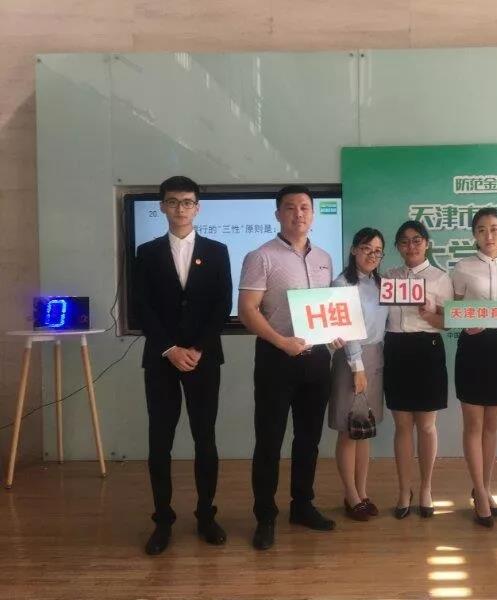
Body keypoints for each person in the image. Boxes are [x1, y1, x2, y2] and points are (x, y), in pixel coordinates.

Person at [238, 185, 343, 551]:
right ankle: (265, 516)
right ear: (278, 214)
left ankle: (302, 505)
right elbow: (247, 310)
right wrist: (281, 342)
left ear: (313, 214)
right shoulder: (261, 256)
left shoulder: (325, 258)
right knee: (269, 440)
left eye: (304, 207)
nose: (298, 213)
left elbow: (326, 308)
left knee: (308, 438)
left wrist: (334, 332)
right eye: (290, 207)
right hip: (276, 357)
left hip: (317, 359)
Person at [134, 175, 232, 555]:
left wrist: (196, 348)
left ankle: (206, 515)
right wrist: (170, 348)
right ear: (162, 206)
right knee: (159, 441)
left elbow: (222, 305)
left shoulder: (217, 251)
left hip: (204, 358)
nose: (180, 208)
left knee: (205, 438)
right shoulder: (147, 252)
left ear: (197, 208)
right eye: (173, 201)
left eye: (187, 202)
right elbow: (142, 306)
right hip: (162, 358)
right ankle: (162, 520)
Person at [451, 208, 497, 527]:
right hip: (473, 347)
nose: (488, 235)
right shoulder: (463, 267)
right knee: (473, 424)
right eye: (481, 229)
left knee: (492, 425)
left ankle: (485, 487)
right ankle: (480, 494)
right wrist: (463, 322)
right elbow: (453, 308)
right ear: (474, 235)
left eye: (494, 228)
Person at [383, 221, 453, 519]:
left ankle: (426, 488)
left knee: (426, 426)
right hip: (396, 349)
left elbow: (449, 322)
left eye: (416, 240)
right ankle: (404, 490)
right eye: (404, 241)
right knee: (402, 426)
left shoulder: (440, 278)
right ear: (398, 247)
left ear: (427, 243)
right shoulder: (389, 277)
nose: (410, 246)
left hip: (427, 349)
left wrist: (431, 313)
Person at [328, 228, 389, 521]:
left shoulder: (380, 284)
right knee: (349, 429)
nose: (372, 255)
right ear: (354, 250)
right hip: (353, 359)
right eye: (366, 248)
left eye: (378, 251)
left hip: (376, 355)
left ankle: (363, 492)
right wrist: (357, 367)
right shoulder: (342, 284)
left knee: (365, 430)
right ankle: (351, 495)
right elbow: (346, 328)